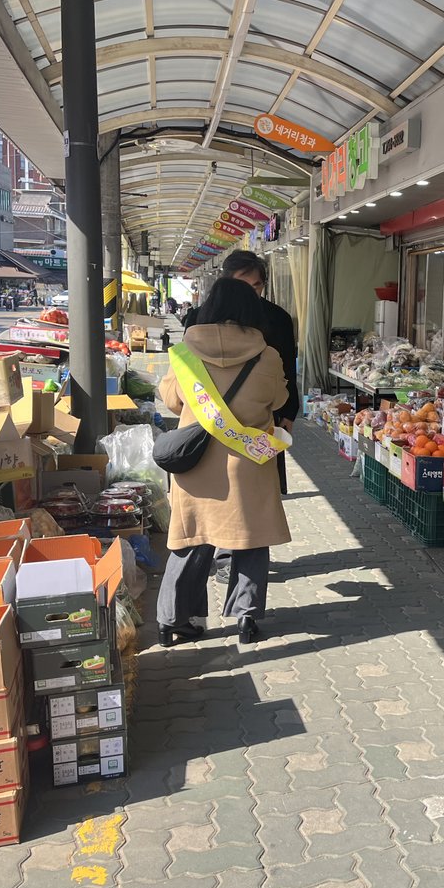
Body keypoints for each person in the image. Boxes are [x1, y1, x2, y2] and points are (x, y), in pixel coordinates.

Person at [157, 277, 291, 647]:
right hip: (248, 462)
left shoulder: (184, 352)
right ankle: (246, 618)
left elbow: (172, 401)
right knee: (251, 539)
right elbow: (278, 400)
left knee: (191, 539)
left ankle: (172, 621)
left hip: (196, 461)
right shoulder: (267, 355)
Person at [185, 251, 299, 493]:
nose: (249, 293)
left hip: (259, 420)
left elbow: (288, 367)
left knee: (257, 489)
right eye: (242, 284)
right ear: (226, 282)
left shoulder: (277, 318)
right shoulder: (198, 317)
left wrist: (290, 412)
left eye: (257, 286)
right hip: (207, 418)